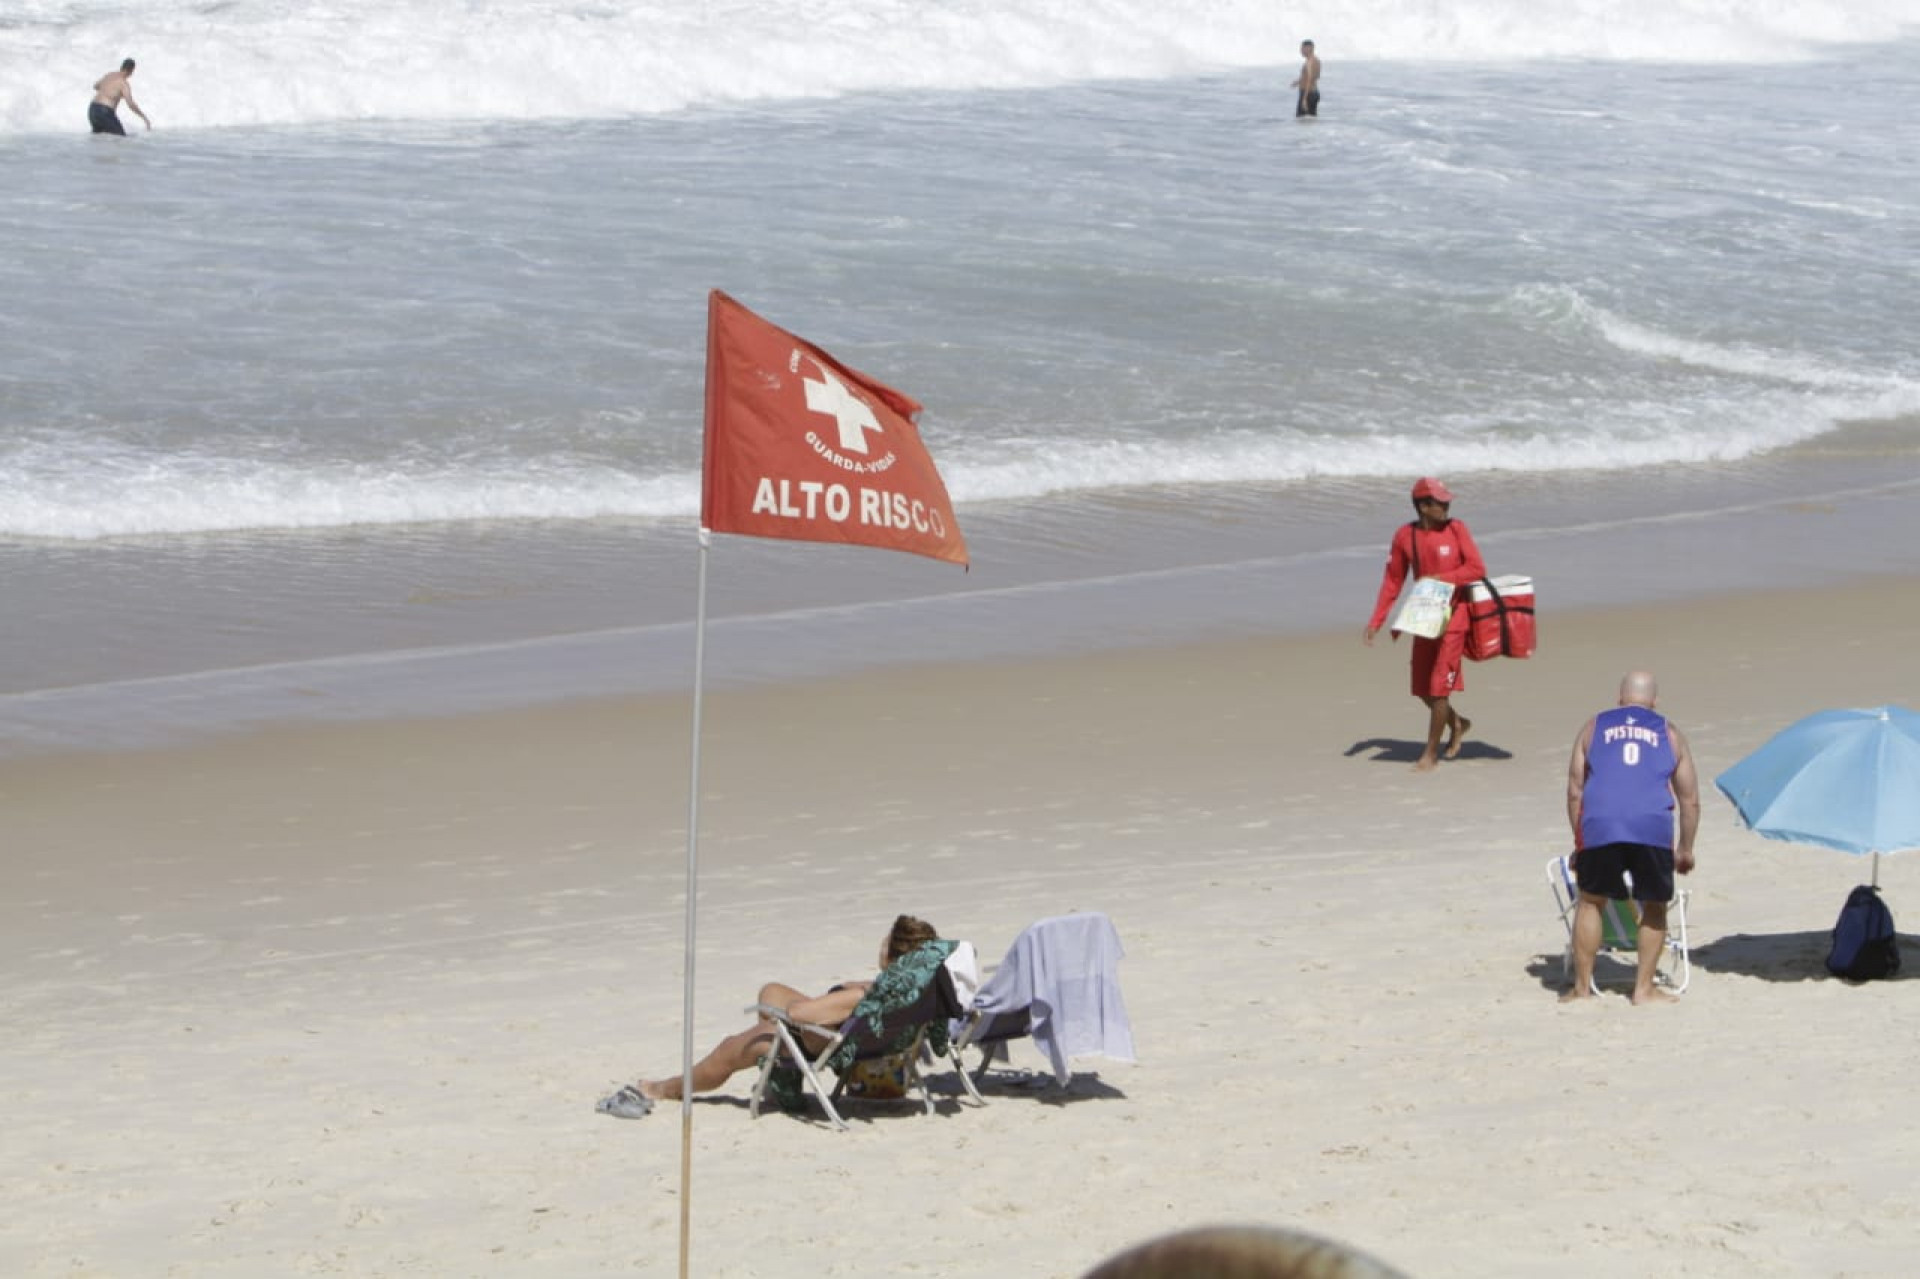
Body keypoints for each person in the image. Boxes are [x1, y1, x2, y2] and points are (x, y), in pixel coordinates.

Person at [595, 914, 941, 1118]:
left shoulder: (860, 996)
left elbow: (799, 1013)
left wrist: (832, 998)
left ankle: (664, 1088)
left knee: (733, 1046)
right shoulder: (917, 989)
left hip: (823, 1046)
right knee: (772, 990)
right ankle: (782, 1079)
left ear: (893, 953)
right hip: (864, 1041)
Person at [1562, 671, 1700, 1004]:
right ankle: (1643, 989)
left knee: (1591, 901)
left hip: (1601, 824)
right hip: (1650, 826)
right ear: (1654, 701)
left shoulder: (1593, 727)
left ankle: (1582, 989)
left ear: (1620, 697)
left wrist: (1579, 841)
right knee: (1654, 905)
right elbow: (1690, 799)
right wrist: (1685, 848)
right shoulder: (1669, 732)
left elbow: (1575, 791)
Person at [1362, 477, 1486, 771]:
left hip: (1455, 617)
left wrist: (1442, 578)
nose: (1446, 506)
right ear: (1423, 506)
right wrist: (1376, 620)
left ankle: (1430, 753)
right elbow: (1393, 580)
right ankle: (1457, 723)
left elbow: (1477, 569)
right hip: (1424, 615)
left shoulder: (1457, 529)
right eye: (1440, 503)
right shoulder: (1405, 536)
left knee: (1440, 687)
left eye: (1447, 502)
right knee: (1421, 688)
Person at [90, 58, 151, 135]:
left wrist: (109, 91)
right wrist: (144, 118)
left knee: (98, 139)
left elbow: (95, 86)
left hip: (92, 109)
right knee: (120, 138)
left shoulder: (109, 75)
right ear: (131, 70)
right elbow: (130, 104)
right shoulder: (123, 83)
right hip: (104, 112)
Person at [1291, 40, 1321, 118]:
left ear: (1308, 48)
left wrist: (1304, 99)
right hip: (1314, 92)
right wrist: (1298, 82)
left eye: (1302, 48)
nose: (1301, 51)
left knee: (1302, 120)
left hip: (1308, 94)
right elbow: (1313, 77)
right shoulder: (1316, 60)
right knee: (1311, 121)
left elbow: (1310, 79)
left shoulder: (1310, 61)